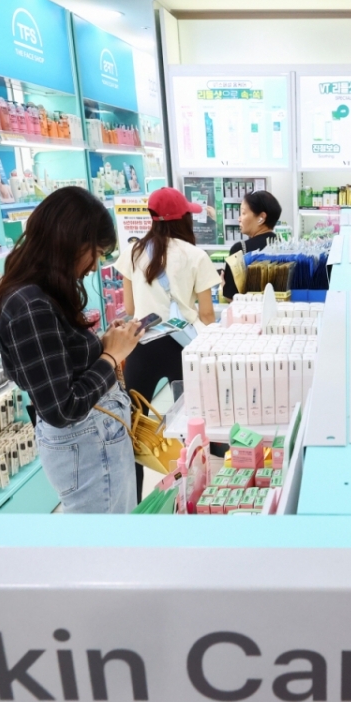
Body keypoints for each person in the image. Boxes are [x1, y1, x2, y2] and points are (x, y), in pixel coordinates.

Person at [0, 187, 143, 514]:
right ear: (70, 242)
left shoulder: (42, 294)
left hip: (92, 437)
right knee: (106, 538)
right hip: (86, 441)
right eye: (96, 252)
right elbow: (62, 408)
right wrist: (110, 357)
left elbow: (62, 365)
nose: (95, 265)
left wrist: (103, 345)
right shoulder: (31, 305)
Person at [115, 187, 218, 497]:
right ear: (183, 218)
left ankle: (134, 500)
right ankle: (193, 493)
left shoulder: (133, 252)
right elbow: (207, 314)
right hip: (182, 346)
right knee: (192, 424)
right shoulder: (196, 256)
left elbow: (130, 308)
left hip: (142, 346)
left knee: (133, 428)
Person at [223, 190, 282, 301]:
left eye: (243, 213)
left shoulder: (239, 249)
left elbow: (231, 297)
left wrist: (223, 286)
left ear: (261, 218)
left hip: (249, 311)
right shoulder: (285, 246)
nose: (239, 219)